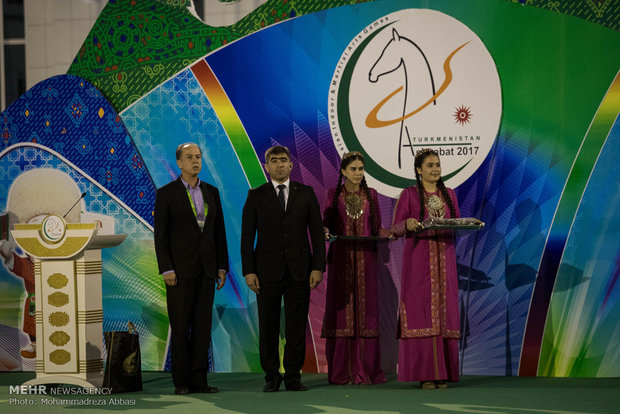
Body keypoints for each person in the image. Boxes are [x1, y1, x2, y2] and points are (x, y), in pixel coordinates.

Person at [241, 145, 325, 392]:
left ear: (291, 165)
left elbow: (317, 235)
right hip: (266, 272)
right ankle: (271, 377)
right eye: (274, 161)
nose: (279, 164)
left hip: (300, 270)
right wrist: (249, 270)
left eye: (284, 160)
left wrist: (318, 267)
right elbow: (247, 238)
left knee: (296, 326)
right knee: (268, 326)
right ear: (267, 167)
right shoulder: (255, 196)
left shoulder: (306, 194)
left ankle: (292, 377)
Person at [154, 143, 229, 395]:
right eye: (189, 157)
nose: (195, 161)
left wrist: (221, 266)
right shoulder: (167, 193)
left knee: (201, 327)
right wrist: (167, 269)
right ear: (179, 162)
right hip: (179, 272)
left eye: (198, 157)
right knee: (180, 325)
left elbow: (219, 233)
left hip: (207, 271)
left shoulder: (212, 192)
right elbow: (161, 236)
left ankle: (200, 380)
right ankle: (181, 381)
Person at [391, 148, 461, 390]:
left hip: (445, 262)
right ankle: (426, 374)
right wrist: (407, 223)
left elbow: (457, 224)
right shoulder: (409, 194)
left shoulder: (449, 194)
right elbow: (394, 230)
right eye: (430, 165)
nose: (435, 169)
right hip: (418, 264)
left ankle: (444, 374)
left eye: (438, 165)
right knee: (422, 314)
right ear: (419, 170)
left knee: (444, 315)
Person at [321, 151, 387, 385]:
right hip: (341, 261)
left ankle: (366, 371)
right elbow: (325, 224)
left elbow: (378, 229)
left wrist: (400, 231)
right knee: (342, 314)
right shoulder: (333, 194)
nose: (358, 173)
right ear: (343, 171)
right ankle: (341, 372)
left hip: (367, 262)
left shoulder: (372, 195)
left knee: (365, 313)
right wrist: (325, 232)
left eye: (361, 169)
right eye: (353, 169)